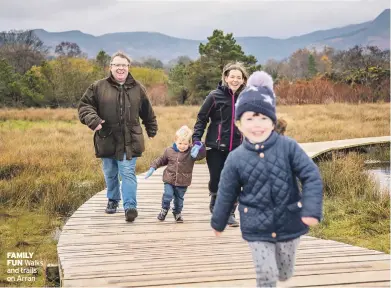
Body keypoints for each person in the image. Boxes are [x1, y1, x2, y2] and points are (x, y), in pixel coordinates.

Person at [211, 71, 323, 288]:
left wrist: (311, 210)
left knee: (284, 271)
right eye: (250, 118)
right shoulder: (236, 158)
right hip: (256, 226)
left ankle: (283, 271)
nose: (257, 124)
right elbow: (226, 191)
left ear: (273, 121)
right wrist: (219, 221)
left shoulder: (288, 147)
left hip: (289, 222)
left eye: (263, 118)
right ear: (239, 124)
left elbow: (311, 176)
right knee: (266, 273)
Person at [78, 51, 158, 223]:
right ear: (111, 67)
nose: (120, 68)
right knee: (110, 172)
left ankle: (130, 207)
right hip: (106, 137)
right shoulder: (98, 87)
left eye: (124, 65)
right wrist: (93, 120)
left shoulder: (138, 88)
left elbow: (147, 112)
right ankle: (113, 199)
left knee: (128, 172)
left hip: (130, 139)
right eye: (117, 65)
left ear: (128, 68)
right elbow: (84, 106)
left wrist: (151, 128)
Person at [192, 62, 248, 227]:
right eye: (232, 77)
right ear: (225, 78)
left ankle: (229, 213)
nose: (235, 80)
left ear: (243, 80)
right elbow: (201, 118)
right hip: (215, 146)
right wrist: (196, 139)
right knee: (217, 179)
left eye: (239, 77)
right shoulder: (215, 96)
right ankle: (216, 201)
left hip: (239, 148)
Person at [145, 125, 206, 223]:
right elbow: (161, 160)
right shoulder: (169, 151)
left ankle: (177, 212)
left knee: (179, 199)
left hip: (183, 181)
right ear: (175, 141)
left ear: (189, 143)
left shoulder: (191, 152)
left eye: (185, 144)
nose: (182, 146)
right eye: (180, 143)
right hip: (169, 179)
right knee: (168, 195)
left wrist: (199, 146)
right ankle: (164, 209)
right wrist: (153, 167)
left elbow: (201, 155)